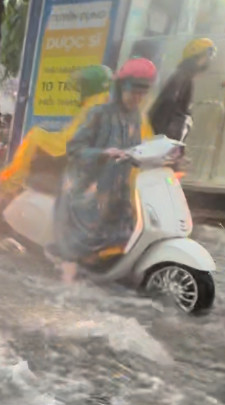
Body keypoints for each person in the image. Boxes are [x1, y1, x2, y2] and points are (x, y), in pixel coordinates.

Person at [53, 58, 158, 283]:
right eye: (133, 92)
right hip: (86, 190)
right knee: (79, 244)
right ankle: (66, 282)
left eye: (142, 93)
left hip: (116, 190)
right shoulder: (99, 113)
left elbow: (138, 148)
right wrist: (102, 153)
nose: (137, 98)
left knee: (127, 229)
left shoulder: (136, 117)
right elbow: (74, 148)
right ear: (121, 88)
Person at [0, 65, 116, 193]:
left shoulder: (93, 105)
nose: (81, 89)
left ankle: (12, 182)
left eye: (84, 85)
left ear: (91, 86)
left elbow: (69, 139)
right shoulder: (104, 102)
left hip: (76, 158)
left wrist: (43, 137)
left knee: (34, 135)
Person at [148, 38, 216, 142]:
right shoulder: (182, 77)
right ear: (195, 58)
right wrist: (162, 137)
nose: (207, 62)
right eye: (204, 57)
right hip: (165, 138)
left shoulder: (184, 77)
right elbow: (167, 104)